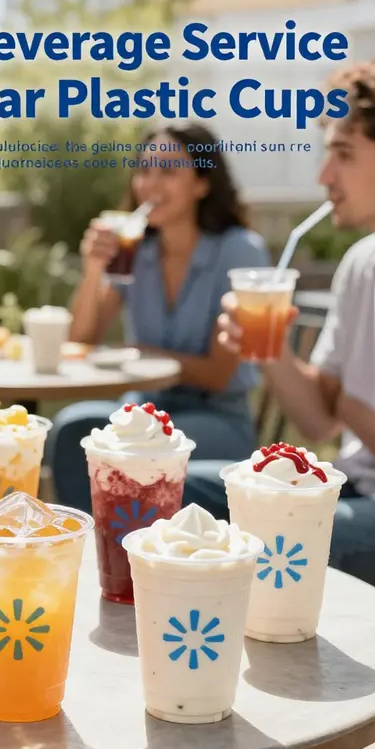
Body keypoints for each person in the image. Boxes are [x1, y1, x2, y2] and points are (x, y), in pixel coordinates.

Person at [183, 55, 375, 593]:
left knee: (266, 545)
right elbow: (319, 422)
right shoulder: (362, 266)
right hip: (349, 491)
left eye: (344, 155)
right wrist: (272, 348)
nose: (323, 175)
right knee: (169, 487)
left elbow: (343, 412)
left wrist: (352, 407)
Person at [48, 123, 270, 513]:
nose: (151, 184)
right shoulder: (137, 250)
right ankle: (95, 550)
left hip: (214, 418)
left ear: (202, 183)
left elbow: (219, 374)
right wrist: (93, 268)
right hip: (141, 413)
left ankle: (131, 551)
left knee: (128, 451)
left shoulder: (239, 251)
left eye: (168, 171)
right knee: (70, 429)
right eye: (144, 170)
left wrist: (141, 352)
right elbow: (82, 339)